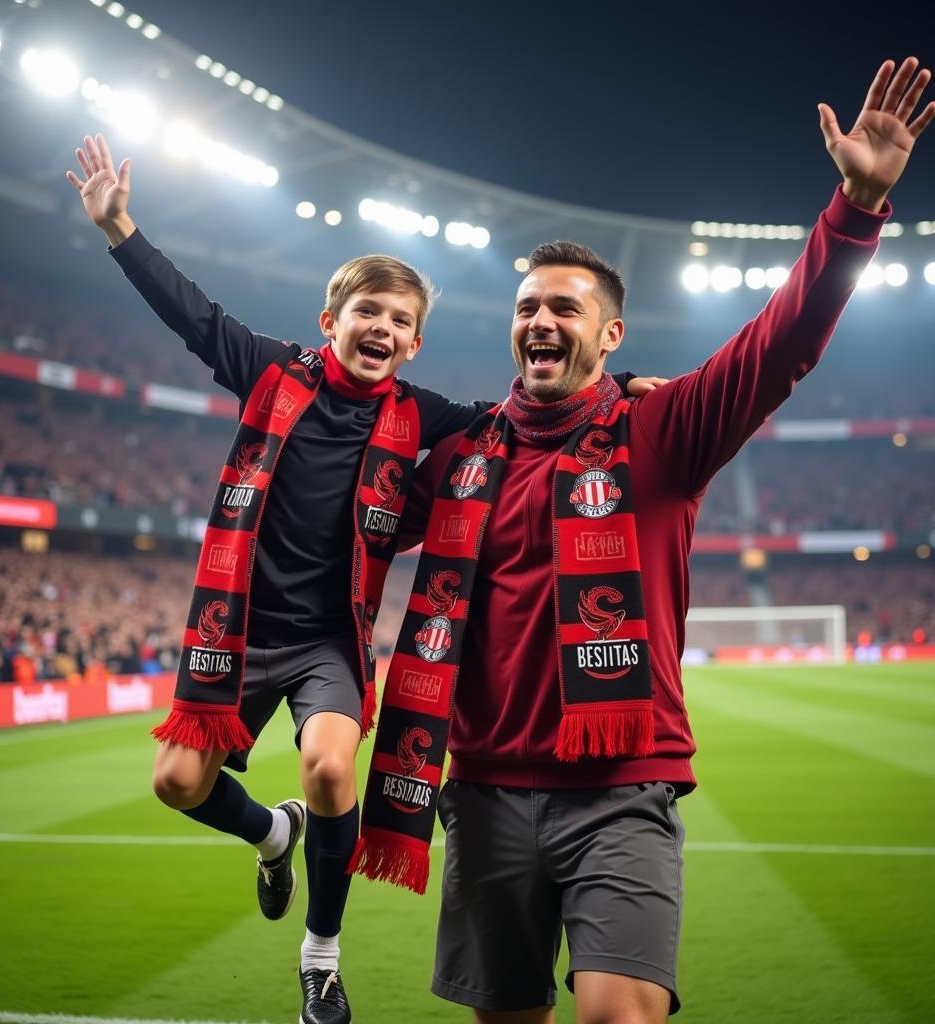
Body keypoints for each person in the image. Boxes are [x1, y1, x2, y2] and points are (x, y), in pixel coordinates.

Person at [353, 58, 934, 1023]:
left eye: (564, 308)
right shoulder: (461, 457)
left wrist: (856, 208)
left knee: (618, 1014)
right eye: (527, 308)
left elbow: (779, 344)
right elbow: (350, 512)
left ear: (610, 334)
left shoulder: (658, 437)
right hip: (486, 789)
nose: (541, 320)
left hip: (619, 793)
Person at [66, 132, 661, 1024]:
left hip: (326, 645)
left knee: (331, 771)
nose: (380, 329)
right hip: (232, 633)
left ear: (414, 344)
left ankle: (322, 956)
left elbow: (526, 416)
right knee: (177, 785)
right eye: (366, 313)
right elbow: (191, 315)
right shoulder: (269, 372)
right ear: (330, 323)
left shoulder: (424, 416)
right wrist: (121, 231)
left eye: (398, 321)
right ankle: (272, 835)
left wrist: (622, 392)